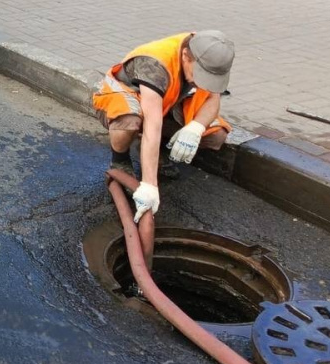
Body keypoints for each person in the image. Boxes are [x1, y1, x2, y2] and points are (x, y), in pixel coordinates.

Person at [92, 31, 235, 223]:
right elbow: (152, 124)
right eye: (200, 75)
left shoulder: (210, 55)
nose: (202, 82)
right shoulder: (154, 64)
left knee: (216, 136)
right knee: (130, 121)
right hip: (125, 99)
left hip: (167, 103)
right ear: (185, 56)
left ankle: (160, 152)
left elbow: (212, 98)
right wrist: (150, 185)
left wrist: (196, 128)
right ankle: (120, 161)